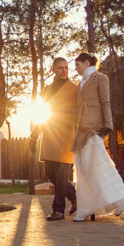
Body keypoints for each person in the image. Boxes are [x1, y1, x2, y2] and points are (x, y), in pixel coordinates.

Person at [70, 52, 124, 221]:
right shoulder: (80, 82)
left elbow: (105, 102)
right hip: (80, 129)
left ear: (86, 62)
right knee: (84, 168)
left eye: (77, 65)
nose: (75, 68)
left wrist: (108, 125)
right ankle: (86, 207)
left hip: (94, 127)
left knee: (98, 166)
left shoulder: (100, 78)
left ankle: (120, 202)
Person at [35, 56, 78, 221]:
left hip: (66, 134)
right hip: (50, 134)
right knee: (50, 173)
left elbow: (79, 111)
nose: (64, 70)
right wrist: (35, 134)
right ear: (53, 69)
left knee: (61, 174)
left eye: (66, 67)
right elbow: (42, 112)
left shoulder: (74, 89)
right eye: (60, 67)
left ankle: (58, 210)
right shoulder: (46, 90)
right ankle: (74, 197)